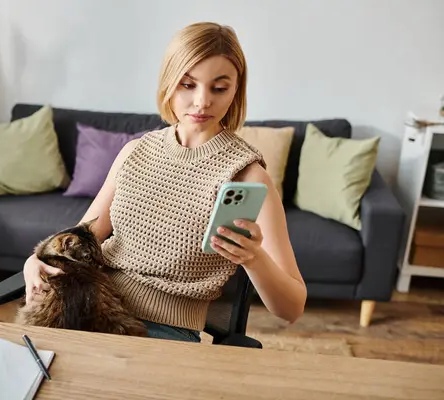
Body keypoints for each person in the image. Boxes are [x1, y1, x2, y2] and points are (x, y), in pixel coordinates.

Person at [23, 22, 307, 343]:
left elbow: (292, 308)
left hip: (164, 332)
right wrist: (36, 260)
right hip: (90, 308)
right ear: (169, 83)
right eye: (188, 85)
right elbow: (83, 235)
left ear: (235, 91)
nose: (202, 102)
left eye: (219, 88)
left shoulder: (248, 175)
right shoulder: (136, 151)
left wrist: (254, 259)